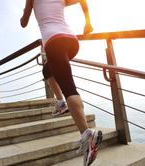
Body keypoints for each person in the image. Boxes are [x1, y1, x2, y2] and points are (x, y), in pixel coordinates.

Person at [20, 0, 102, 165]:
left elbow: (23, 23)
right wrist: (88, 23)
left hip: (54, 41)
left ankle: (87, 134)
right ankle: (61, 104)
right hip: (71, 41)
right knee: (47, 71)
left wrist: (26, 9)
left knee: (69, 88)